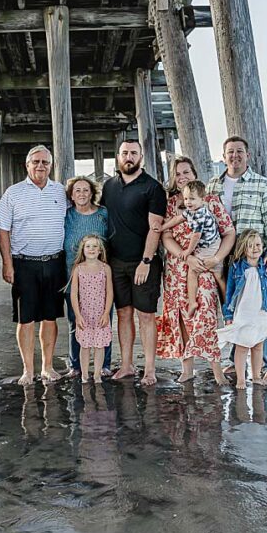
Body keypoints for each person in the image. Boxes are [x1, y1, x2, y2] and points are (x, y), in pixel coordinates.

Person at [207, 136, 267, 383]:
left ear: (247, 156)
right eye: (230, 152)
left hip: (253, 260)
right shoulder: (213, 186)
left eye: (239, 151)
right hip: (225, 258)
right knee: (234, 310)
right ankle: (234, 362)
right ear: (223, 156)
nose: (235, 156)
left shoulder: (262, 185)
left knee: (262, 310)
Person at [156, 156, 235, 385]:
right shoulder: (171, 204)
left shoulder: (210, 200)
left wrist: (217, 258)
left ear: (195, 174)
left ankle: (216, 369)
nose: (182, 177)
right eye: (178, 174)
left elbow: (228, 232)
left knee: (205, 315)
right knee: (181, 317)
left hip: (205, 266)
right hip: (176, 269)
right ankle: (187, 368)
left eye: (186, 173)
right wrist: (184, 256)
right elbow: (166, 235)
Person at [0, 145, 68, 385]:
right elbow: (3, 230)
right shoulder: (13, 193)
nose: (40, 166)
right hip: (24, 263)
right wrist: (7, 264)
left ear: (51, 165)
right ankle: (28, 370)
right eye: (35, 161)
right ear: (27, 165)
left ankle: (47, 367)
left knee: (50, 317)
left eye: (45, 162)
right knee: (25, 319)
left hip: (54, 262)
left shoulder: (60, 191)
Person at [99, 139, 167, 385]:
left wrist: (146, 261)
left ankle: (149, 369)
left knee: (146, 315)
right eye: (125, 153)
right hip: (116, 262)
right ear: (118, 156)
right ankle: (126, 364)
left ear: (141, 157)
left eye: (134, 153)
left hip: (144, 263)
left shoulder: (152, 188)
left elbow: (155, 227)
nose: (129, 157)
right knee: (123, 313)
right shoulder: (109, 187)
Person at [217, 230, 267, 389]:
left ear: (263, 246)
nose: (255, 249)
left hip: (262, 313)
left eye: (258, 245)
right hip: (244, 314)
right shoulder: (237, 267)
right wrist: (228, 315)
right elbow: (230, 292)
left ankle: (256, 376)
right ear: (244, 249)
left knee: (258, 345)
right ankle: (240, 379)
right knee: (242, 346)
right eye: (250, 246)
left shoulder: (266, 267)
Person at [62, 176, 112, 378]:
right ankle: (76, 366)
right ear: (71, 196)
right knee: (76, 320)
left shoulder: (103, 214)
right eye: (77, 191)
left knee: (104, 320)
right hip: (73, 275)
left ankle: (104, 365)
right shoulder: (66, 215)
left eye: (85, 190)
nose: (81, 194)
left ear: (92, 193)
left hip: (99, 277)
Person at [159, 179, 224, 317]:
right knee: (218, 274)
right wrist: (162, 227)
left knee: (195, 272)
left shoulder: (200, 213)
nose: (188, 202)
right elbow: (177, 219)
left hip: (210, 246)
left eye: (192, 199)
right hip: (205, 244)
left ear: (202, 199)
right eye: (187, 198)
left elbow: (196, 236)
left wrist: (187, 252)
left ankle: (195, 301)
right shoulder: (190, 210)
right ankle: (226, 301)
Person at [67, 234, 114, 384]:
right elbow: (74, 294)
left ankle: (97, 375)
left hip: (100, 313)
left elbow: (109, 292)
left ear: (100, 250)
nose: (91, 249)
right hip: (84, 314)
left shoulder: (105, 268)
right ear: (83, 250)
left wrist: (107, 313)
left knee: (100, 345)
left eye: (95, 246)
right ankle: (85, 375)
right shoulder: (78, 269)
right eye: (88, 246)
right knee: (85, 345)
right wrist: (78, 315)